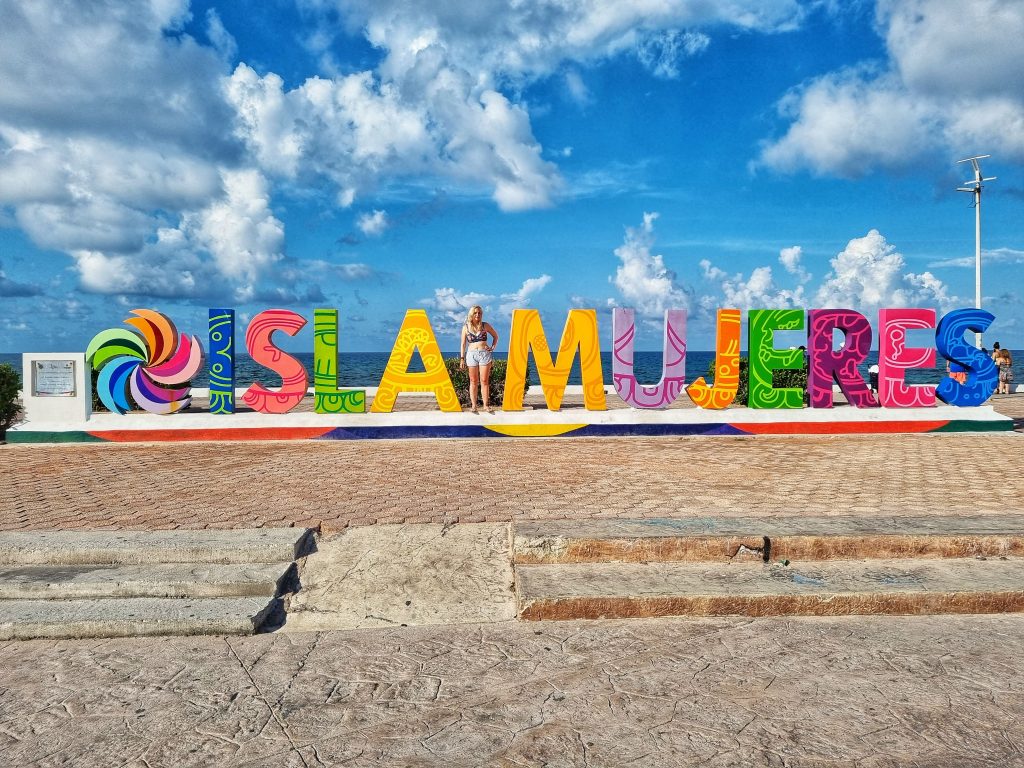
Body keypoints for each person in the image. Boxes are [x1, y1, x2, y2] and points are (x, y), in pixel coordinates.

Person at [459, 305, 499, 413]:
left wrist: (492, 347)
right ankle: (474, 405)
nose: (478, 315)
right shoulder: (465, 327)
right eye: (475, 313)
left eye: (480, 313)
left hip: (484, 354)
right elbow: (463, 344)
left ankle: (486, 405)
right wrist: (462, 359)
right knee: (473, 381)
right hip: (471, 355)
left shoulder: (485, 325)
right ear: (471, 314)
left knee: (484, 381)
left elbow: (495, 336)